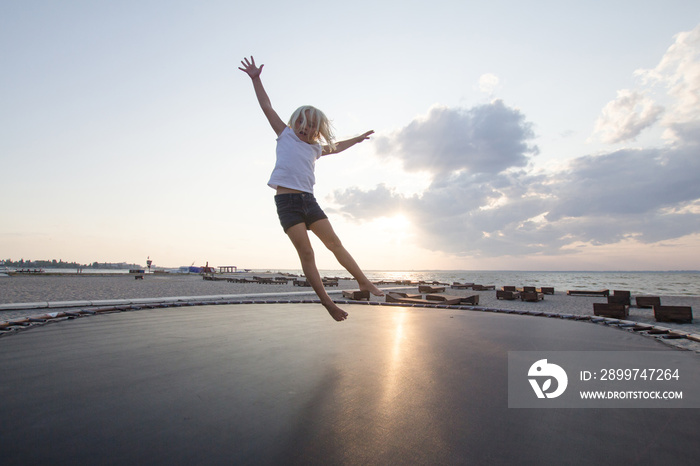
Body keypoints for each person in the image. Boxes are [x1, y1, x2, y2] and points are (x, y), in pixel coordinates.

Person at [239, 56, 384, 321]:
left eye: (311, 125)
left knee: (335, 244)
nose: (305, 128)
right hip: (287, 204)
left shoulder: (315, 148)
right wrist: (256, 79)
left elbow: (336, 147)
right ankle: (328, 303)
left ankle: (364, 281)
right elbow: (266, 106)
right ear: (294, 122)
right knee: (307, 253)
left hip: (309, 201)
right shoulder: (284, 134)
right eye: (301, 122)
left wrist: (358, 138)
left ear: (317, 130)